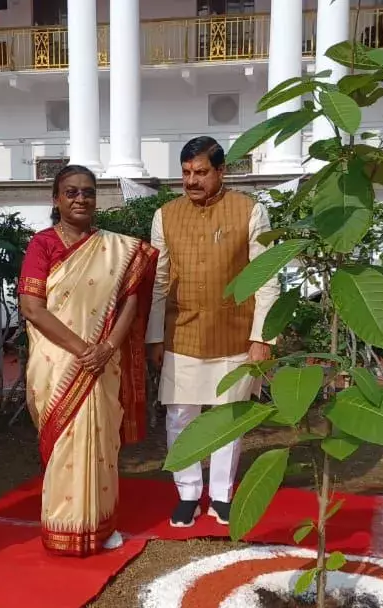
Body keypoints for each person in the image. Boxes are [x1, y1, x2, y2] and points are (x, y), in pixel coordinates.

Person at [18, 165, 158, 556]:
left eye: (88, 192)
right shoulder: (42, 245)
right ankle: (63, 527)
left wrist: (108, 346)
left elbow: (130, 298)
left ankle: (100, 524)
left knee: (101, 441)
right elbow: (32, 307)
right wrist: (84, 350)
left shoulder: (118, 248)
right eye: (71, 192)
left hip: (103, 359)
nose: (81, 199)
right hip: (60, 360)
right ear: (56, 199)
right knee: (65, 443)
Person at [146, 136, 280, 528]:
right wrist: (154, 336)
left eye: (201, 172)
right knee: (180, 416)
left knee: (228, 417)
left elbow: (267, 279)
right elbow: (159, 280)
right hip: (182, 332)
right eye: (186, 172)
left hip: (235, 333)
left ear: (222, 171)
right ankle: (187, 492)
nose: (192, 180)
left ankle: (220, 494)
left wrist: (262, 338)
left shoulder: (249, 211)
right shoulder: (166, 215)